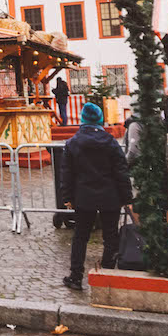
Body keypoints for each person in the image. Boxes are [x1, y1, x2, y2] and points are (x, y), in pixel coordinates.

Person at [58, 103, 133, 290]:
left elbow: (66, 173)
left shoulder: (73, 143)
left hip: (84, 196)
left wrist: (67, 196)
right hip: (110, 196)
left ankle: (76, 276)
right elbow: (121, 172)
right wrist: (127, 197)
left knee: (80, 236)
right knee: (110, 236)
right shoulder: (111, 142)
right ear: (99, 119)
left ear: (83, 119)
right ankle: (106, 274)